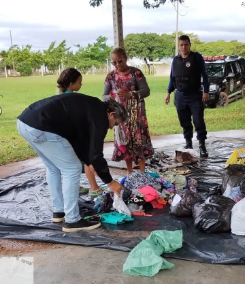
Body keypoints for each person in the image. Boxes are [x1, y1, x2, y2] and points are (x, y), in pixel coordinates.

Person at [17, 95, 127, 232]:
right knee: (73, 169)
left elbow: (79, 140)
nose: (112, 128)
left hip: (25, 122)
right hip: (41, 126)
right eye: (115, 123)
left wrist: (88, 161)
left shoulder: (92, 107)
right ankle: (72, 220)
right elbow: (96, 153)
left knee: (53, 167)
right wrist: (110, 182)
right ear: (112, 114)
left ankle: (59, 212)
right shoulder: (100, 116)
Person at [103, 47, 154, 174]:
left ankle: (142, 172)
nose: (117, 65)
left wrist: (130, 94)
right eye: (114, 62)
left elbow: (146, 91)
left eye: (120, 61)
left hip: (136, 115)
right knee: (124, 142)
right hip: (119, 116)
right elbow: (103, 95)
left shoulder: (136, 73)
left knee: (138, 141)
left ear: (126, 58)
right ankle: (129, 172)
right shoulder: (111, 76)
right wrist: (110, 96)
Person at [56, 68, 100, 196]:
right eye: (79, 82)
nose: (81, 84)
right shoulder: (74, 98)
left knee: (70, 163)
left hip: (63, 135)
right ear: (71, 83)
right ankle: (94, 188)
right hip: (74, 135)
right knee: (87, 160)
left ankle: (77, 187)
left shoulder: (60, 97)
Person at [164, 35, 210, 157]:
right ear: (179, 46)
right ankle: (188, 143)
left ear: (190, 45)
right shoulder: (175, 60)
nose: (183, 47)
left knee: (198, 121)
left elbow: (204, 76)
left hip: (195, 95)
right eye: (181, 45)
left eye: (186, 44)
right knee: (184, 121)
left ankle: (202, 146)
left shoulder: (197, 57)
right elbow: (172, 78)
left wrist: (206, 91)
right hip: (180, 96)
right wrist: (168, 92)